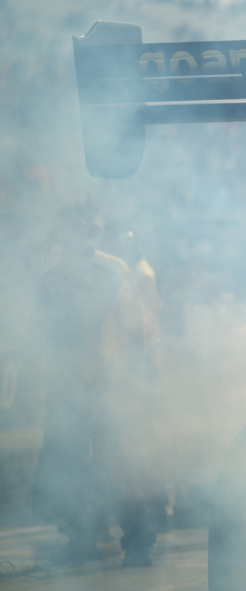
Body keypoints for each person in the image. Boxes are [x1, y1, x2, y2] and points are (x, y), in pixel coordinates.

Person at [33, 206, 166, 566]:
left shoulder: (113, 269)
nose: (81, 235)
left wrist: (139, 373)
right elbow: (46, 332)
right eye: (73, 229)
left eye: (87, 229)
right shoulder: (53, 274)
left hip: (111, 384)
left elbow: (135, 328)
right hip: (71, 386)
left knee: (118, 464)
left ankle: (138, 543)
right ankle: (81, 540)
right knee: (73, 465)